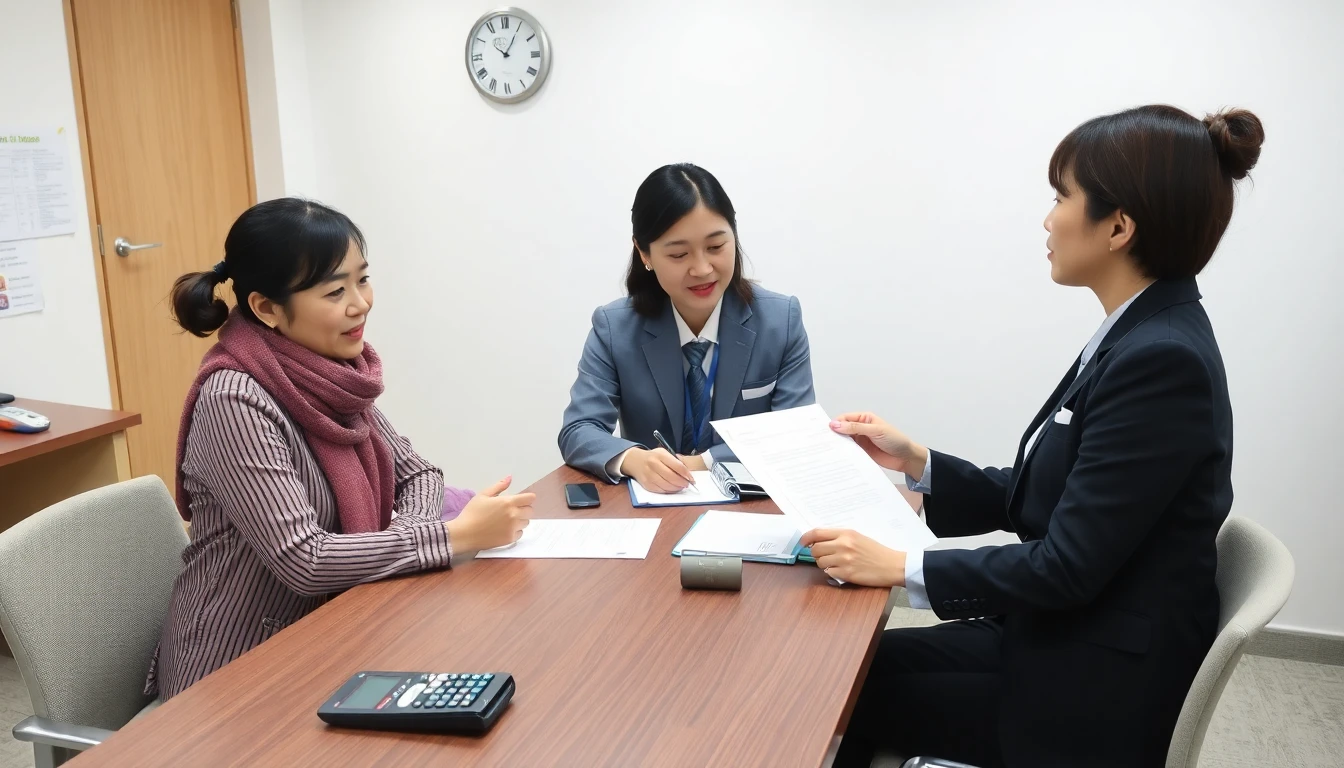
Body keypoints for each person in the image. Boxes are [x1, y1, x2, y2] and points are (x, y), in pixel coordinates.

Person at [810, 105, 1264, 767]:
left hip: (1091, 694)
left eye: (1061, 196)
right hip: (1061, 638)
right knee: (853, 665)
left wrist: (901, 568)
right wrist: (921, 463)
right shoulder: (1138, 334)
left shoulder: (1161, 361)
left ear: (1118, 226)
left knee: (843, 691)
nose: (1048, 219)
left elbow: (1067, 566)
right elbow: (1055, 497)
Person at [148, 198, 533, 699]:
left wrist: (416, 533)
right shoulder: (235, 400)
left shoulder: (329, 371)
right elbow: (305, 559)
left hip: (335, 632)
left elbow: (417, 474)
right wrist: (451, 537)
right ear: (266, 308)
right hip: (237, 671)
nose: (361, 303)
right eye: (335, 290)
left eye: (363, 279)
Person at [559, 163, 815, 491]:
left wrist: (703, 463)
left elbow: (796, 433)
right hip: (654, 511)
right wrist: (635, 459)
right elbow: (578, 429)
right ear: (644, 253)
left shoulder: (781, 321)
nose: (703, 268)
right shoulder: (614, 329)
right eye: (679, 254)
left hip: (755, 509)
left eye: (716, 247)